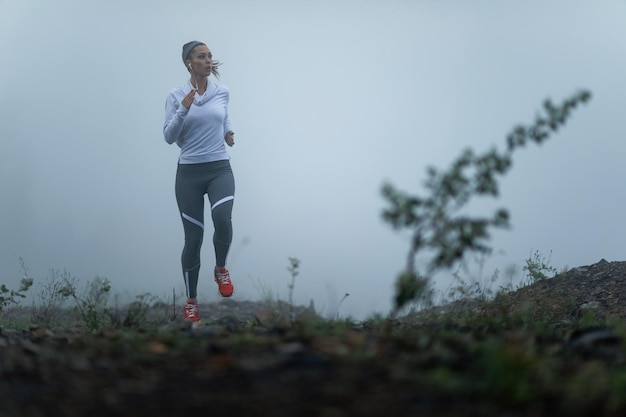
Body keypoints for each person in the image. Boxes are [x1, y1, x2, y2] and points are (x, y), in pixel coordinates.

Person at [163, 41, 236, 323]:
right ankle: (191, 301)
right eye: (201, 57)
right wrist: (183, 109)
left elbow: (224, 117)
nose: (208, 61)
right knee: (193, 240)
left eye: (209, 56)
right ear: (188, 63)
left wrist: (228, 132)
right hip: (189, 174)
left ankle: (220, 268)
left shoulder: (222, 92)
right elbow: (169, 137)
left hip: (219, 168)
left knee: (223, 217)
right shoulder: (175, 95)